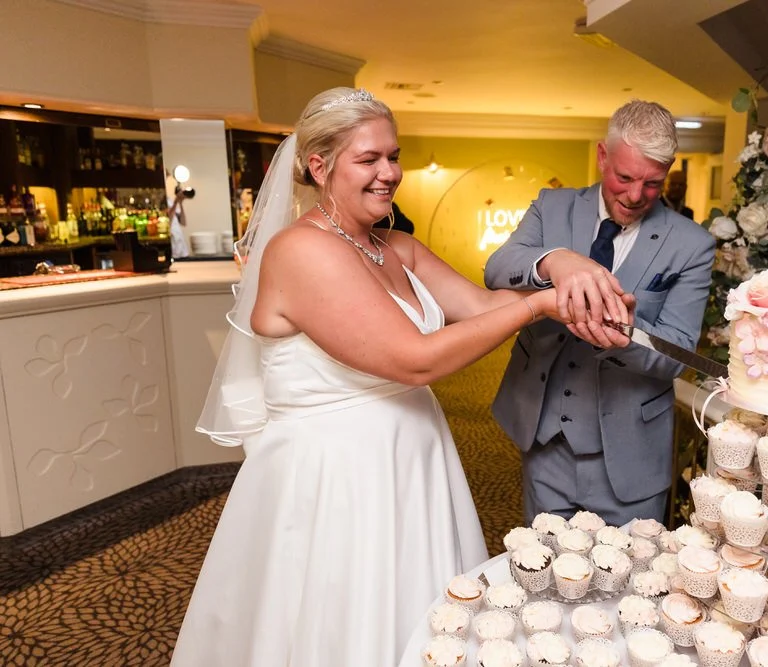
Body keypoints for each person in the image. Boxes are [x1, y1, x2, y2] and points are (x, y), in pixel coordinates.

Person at [171, 88, 631, 667]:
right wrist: (539, 307)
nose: (389, 173)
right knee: (338, 622)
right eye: (369, 159)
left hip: (413, 457)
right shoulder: (300, 251)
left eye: (393, 155)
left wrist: (564, 283)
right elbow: (416, 359)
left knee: (424, 617)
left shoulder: (398, 247)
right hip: (336, 480)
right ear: (319, 166)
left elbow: (486, 306)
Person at [484, 100, 716, 527]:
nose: (634, 195)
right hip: (545, 443)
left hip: (630, 457)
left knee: (631, 585)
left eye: (652, 183)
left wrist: (627, 336)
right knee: (543, 570)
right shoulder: (551, 207)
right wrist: (555, 260)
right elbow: (497, 269)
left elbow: (678, 353)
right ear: (602, 156)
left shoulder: (692, 245)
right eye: (624, 177)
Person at [166, 187, 191, 258]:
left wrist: (180, 203)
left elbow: (183, 223)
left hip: (180, 241)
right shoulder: (166, 201)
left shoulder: (171, 201)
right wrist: (175, 202)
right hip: (173, 240)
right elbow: (169, 220)